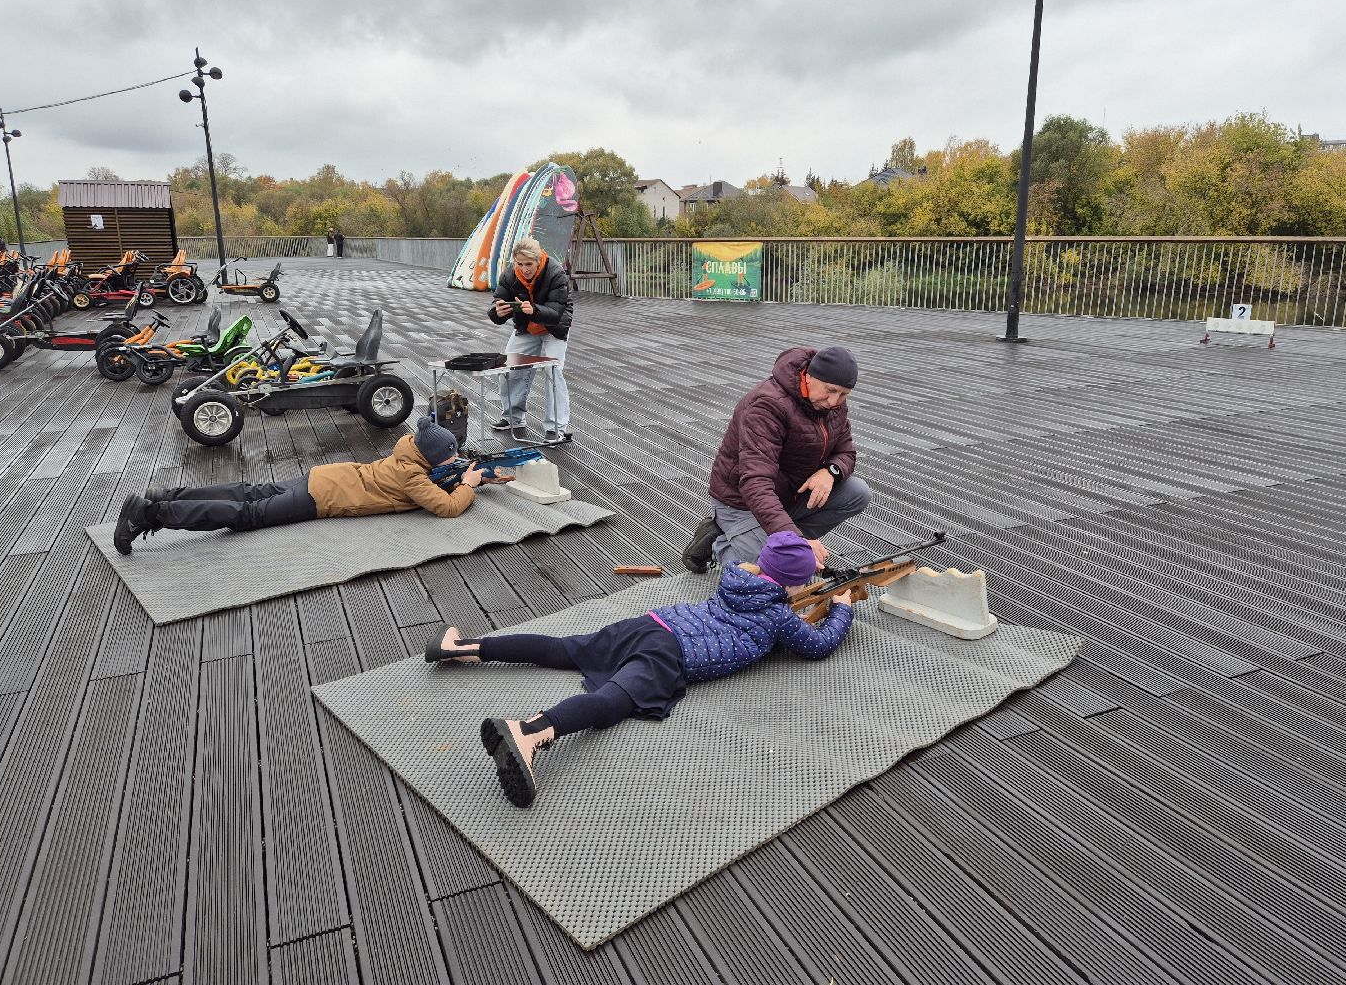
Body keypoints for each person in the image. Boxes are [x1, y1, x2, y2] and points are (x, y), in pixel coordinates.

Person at [425, 530, 853, 807]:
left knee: (563, 649)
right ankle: (530, 732)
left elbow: (778, 556)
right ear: (793, 582)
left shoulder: (736, 575)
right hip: (671, 655)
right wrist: (841, 610)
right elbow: (816, 646)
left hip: (653, 623)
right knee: (611, 700)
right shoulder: (778, 617)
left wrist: (800, 555)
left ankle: (462, 646)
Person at [112, 412, 494, 553]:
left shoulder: (409, 453)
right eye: (450, 457)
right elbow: (445, 507)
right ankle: (152, 513)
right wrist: (470, 484)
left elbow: (434, 478)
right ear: (431, 457)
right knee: (247, 514)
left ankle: (169, 495)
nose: (455, 462)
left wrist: (464, 472)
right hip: (322, 499)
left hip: (325, 475)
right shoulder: (414, 475)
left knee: (249, 491)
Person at [681, 345, 871, 574]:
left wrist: (830, 471)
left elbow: (846, 452)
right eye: (830, 390)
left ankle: (778, 539)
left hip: (787, 495)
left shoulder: (832, 405)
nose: (834, 401)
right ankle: (718, 543)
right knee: (778, 569)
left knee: (857, 492)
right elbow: (755, 483)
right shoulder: (767, 406)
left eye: (843, 394)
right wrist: (795, 541)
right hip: (741, 502)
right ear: (809, 375)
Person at [487, 236, 574, 445]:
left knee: (553, 372)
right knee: (509, 367)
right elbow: (495, 308)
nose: (524, 269)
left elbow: (556, 312)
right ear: (514, 262)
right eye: (520, 264)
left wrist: (534, 310)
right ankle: (513, 418)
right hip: (526, 327)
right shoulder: (509, 275)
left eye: (529, 264)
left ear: (539, 260)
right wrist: (498, 311)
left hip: (554, 327)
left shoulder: (556, 273)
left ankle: (556, 428)